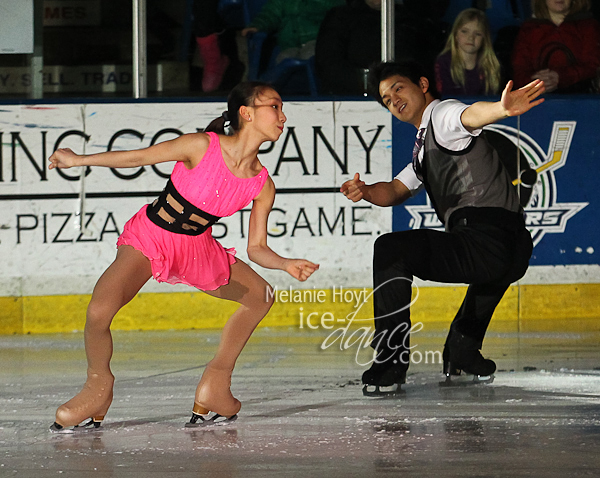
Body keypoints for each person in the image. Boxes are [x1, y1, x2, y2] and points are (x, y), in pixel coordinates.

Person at [47, 82, 319, 431]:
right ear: (247, 113)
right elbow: (138, 157)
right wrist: (78, 160)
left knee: (261, 296)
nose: (283, 116)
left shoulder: (261, 183)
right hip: (151, 236)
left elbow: (256, 248)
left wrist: (284, 263)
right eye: (275, 107)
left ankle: (216, 385)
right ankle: (97, 387)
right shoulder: (201, 145)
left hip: (197, 248)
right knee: (99, 310)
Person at [340, 60, 544, 396]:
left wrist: (500, 109)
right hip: (510, 247)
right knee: (484, 274)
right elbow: (394, 189)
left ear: (422, 84)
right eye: (387, 100)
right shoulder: (423, 148)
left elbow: (469, 116)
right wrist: (366, 192)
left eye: (398, 89)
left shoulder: (443, 115)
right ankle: (462, 353)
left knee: (390, 250)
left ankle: (391, 361)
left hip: (488, 237)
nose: (394, 100)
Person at [315, 0, 430, 96]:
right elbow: (328, 63)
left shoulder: (413, 21)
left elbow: (425, 64)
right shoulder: (340, 18)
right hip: (352, 98)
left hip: (406, 97)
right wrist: (367, 84)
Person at [511, 0, 600, 93]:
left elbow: (593, 65)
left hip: (582, 98)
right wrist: (536, 82)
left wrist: (561, 77)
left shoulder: (588, 26)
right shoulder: (529, 29)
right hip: (537, 99)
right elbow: (518, 70)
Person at [241, 0, 345, 65]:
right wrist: (257, 26)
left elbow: (338, 9)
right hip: (289, 44)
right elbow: (269, 15)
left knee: (312, 55)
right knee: (284, 58)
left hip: (318, 40)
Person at [435, 8, 502, 97]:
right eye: (464, 31)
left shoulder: (490, 66)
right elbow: (444, 98)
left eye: (477, 34)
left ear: (485, 39)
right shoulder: (444, 62)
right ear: (455, 35)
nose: (471, 38)